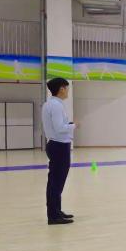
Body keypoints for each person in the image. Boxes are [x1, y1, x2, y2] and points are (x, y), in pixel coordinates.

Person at [41, 78, 77, 225]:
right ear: (61, 89)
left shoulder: (50, 104)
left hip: (56, 145)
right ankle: (53, 215)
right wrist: (74, 125)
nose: (67, 91)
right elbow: (59, 128)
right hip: (59, 146)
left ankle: (56, 211)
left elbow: (58, 126)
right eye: (67, 88)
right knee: (56, 182)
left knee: (56, 182)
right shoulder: (56, 106)